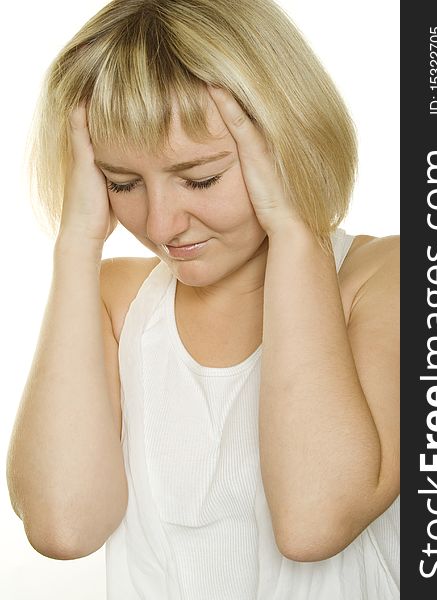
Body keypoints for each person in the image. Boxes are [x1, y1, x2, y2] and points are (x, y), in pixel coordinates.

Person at [6, 0, 400, 598]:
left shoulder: (390, 279)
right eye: (122, 183)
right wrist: (76, 243)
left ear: (283, 138)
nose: (162, 223)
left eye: (200, 179)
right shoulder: (120, 303)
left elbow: (315, 523)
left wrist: (296, 231)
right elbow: (65, 526)